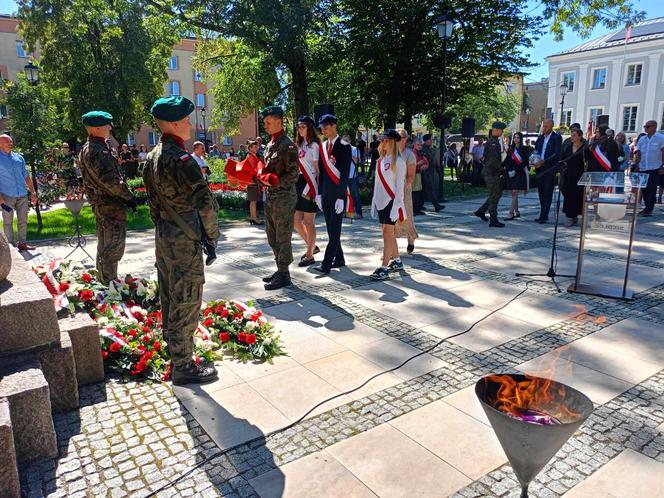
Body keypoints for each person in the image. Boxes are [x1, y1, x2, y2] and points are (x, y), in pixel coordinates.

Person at [143, 95, 219, 385]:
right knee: (187, 297)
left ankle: (174, 352)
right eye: (186, 120)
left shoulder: (152, 157)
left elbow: (152, 204)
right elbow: (206, 204)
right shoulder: (183, 160)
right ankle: (184, 366)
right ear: (173, 123)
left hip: (164, 235)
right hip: (185, 240)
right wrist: (212, 237)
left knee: (170, 294)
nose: (190, 124)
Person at [78, 112, 136, 282]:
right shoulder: (97, 150)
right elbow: (111, 182)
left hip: (102, 205)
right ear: (96, 128)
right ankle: (108, 286)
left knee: (105, 245)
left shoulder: (91, 147)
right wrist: (129, 196)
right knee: (113, 247)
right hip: (110, 207)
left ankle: (104, 282)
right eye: (107, 125)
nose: (110, 128)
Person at [257, 106, 299, 289]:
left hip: (283, 198)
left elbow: (293, 175)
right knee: (272, 236)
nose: (264, 125)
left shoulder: (287, 145)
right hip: (271, 197)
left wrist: (273, 181)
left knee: (283, 236)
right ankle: (280, 268)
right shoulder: (271, 144)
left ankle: (284, 274)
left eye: (267, 122)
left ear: (278, 122)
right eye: (264, 122)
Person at [312, 114, 351, 275]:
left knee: (335, 231)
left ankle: (326, 264)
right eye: (322, 129)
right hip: (326, 194)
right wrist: (320, 194)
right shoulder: (323, 146)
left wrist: (341, 197)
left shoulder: (344, 146)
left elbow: (344, 174)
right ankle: (339, 259)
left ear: (334, 126)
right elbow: (322, 173)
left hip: (337, 197)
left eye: (326, 128)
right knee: (330, 229)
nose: (324, 131)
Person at [370, 129, 407, 280]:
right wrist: (373, 201)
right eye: (382, 140)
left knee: (387, 234)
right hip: (381, 201)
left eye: (385, 140)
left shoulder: (399, 161)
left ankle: (384, 267)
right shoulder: (380, 161)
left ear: (392, 142)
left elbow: (400, 187)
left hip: (391, 202)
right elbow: (377, 184)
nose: (382, 143)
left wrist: (397, 205)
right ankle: (397, 261)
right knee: (386, 233)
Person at [0, 134, 38, 251]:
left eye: (11, 141)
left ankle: (22, 243)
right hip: (6, 196)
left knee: (23, 220)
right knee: (7, 222)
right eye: (7, 142)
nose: (10, 143)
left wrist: (33, 192)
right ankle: (10, 247)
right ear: (0, 144)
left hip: (22, 194)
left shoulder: (19, 158)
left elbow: (26, 176)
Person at [293, 115, 321, 266]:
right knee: (296, 221)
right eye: (298, 126)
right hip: (300, 182)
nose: (300, 129)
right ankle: (312, 246)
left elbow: (317, 169)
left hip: (310, 184)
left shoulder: (315, 146)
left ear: (310, 128)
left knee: (309, 222)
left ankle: (310, 255)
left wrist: (318, 190)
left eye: (303, 126)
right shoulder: (301, 144)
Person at [474, 122, 507, 227]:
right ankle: (493, 219)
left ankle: (481, 211)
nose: (502, 132)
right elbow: (493, 160)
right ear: (496, 130)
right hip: (491, 172)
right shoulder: (493, 142)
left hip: (492, 172)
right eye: (501, 130)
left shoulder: (494, 141)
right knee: (495, 195)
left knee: (497, 194)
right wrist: (502, 169)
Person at [533, 118, 562, 224]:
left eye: (546, 126)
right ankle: (542, 213)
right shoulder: (540, 138)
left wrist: (544, 161)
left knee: (547, 192)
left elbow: (557, 153)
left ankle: (544, 215)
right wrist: (533, 159)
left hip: (549, 169)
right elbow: (536, 150)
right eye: (543, 126)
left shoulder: (556, 138)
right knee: (541, 192)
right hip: (539, 169)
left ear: (551, 126)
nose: (544, 128)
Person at [634, 120, 664, 216]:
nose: (645, 128)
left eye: (648, 126)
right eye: (645, 127)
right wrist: (637, 165)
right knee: (644, 188)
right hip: (643, 167)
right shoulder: (642, 139)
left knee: (651, 188)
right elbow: (638, 152)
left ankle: (649, 209)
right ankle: (647, 207)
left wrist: (662, 166)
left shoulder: (661, 138)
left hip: (654, 167)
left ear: (654, 127)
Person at [395, 129, 418, 254]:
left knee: (407, 216)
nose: (397, 139)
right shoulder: (391, 153)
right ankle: (391, 249)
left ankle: (411, 239)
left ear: (405, 139)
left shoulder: (409, 155)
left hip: (404, 190)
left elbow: (411, 176)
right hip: (391, 190)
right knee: (392, 219)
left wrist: (402, 188)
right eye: (396, 137)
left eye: (400, 137)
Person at [560, 128, 586, 227]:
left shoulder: (584, 148)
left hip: (579, 176)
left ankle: (574, 216)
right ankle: (569, 217)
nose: (572, 137)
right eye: (571, 135)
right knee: (568, 196)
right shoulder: (568, 147)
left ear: (580, 136)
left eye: (574, 135)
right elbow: (562, 159)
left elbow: (587, 161)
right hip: (568, 175)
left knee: (577, 197)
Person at [503, 131, 531, 221]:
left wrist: (515, 171)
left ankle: (511, 213)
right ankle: (517, 211)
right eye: (515, 137)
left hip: (520, 173)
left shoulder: (524, 149)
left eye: (518, 137)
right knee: (513, 193)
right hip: (511, 173)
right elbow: (507, 160)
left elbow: (524, 163)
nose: (516, 139)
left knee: (515, 192)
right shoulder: (511, 149)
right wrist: (502, 167)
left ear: (521, 139)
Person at [420, 134, 444, 211]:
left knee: (425, 189)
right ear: (427, 140)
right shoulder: (423, 149)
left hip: (431, 170)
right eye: (431, 139)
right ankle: (436, 205)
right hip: (425, 171)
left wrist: (438, 170)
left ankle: (420, 205)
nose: (432, 141)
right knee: (429, 188)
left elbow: (434, 160)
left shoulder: (430, 149)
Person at [245, 140, 264, 225]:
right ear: (250, 148)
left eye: (257, 147)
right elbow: (253, 169)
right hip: (252, 181)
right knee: (254, 201)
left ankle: (253, 217)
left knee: (253, 201)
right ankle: (254, 218)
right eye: (255, 147)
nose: (257, 148)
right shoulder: (250, 156)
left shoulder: (253, 155)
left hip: (253, 180)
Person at [344, 134, 363, 219]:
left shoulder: (354, 149)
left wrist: (350, 154)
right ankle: (345, 212)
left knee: (355, 195)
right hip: (343, 177)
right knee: (343, 195)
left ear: (350, 141)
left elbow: (358, 161)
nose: (345, 142)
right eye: (344, 141)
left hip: (352, 176)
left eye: (347, 141)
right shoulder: (340, 150)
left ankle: (359, 213)